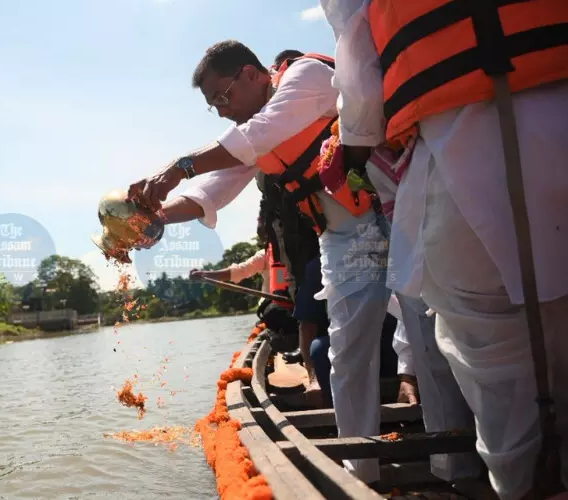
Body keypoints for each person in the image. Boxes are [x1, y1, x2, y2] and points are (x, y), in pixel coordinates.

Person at [321, 1, 568, 498]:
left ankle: (515, 482)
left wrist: (357, 154)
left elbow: (364, 99)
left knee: (506, 401)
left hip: (463, 167)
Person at [126, 40, 393, 484]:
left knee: (430, 339)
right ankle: (360, 475)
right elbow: (214, 189)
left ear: (253, 74)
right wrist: (152, 220)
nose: (223, 111)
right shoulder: (250, 133)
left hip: (393, 206)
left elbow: (257, 135)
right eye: (213, 106)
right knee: (346, 354)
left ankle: (456, 469)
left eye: (223, 97)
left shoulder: (305, 76)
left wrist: (177, 166)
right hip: (345, 236)